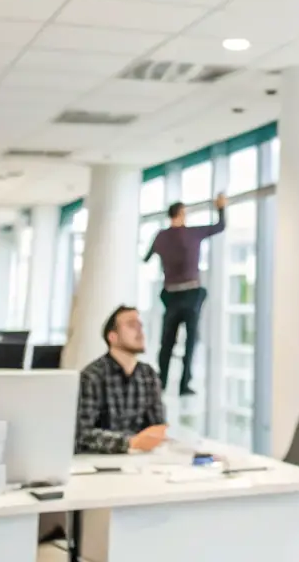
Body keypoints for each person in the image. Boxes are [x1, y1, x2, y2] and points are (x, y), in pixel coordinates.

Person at [144, 192, 227, 393]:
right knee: (191, 340)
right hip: (190, 292)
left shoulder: (161, 237)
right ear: (181, 213)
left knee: (167, 341)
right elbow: (220, 226)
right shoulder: (191, 233)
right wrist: (221, 208)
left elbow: (146, 258)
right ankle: (184, 383)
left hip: (171, 294)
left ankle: (161, 381)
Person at [75, 305, 167, 454]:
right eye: (131, 325)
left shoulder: (148, 375)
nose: (140, 331)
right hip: (98, 462)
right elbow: (81, 434)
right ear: (113, 337)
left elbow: (158, 427)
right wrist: (129, 442)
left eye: (140, 326)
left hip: (140, 461)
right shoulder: (92, 376)